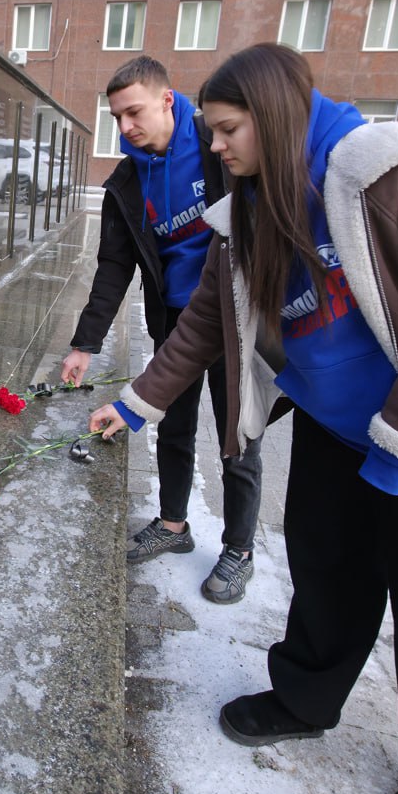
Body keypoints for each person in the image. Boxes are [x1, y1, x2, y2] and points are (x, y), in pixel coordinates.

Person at [90, 43, 398, 794]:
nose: (216, 146)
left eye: (227, 130)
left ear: (275, 116)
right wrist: (135, 404)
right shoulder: (252, 206)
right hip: (340, 431)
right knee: (327, 574)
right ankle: (305, 698)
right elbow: (204, 327)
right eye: (213, 132)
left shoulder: (386, 175)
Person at [62, 55, 263, 604]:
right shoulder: (126, 183)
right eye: (116, 118)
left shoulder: (216, 148)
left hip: (236, 317)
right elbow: (112, 267)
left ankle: (239, 549)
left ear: (167, 100)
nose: (125, 127)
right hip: (177, 322)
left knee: (237, 435)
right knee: (172, 426)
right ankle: (173, 526)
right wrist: (85, 343)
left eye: (134, 112)